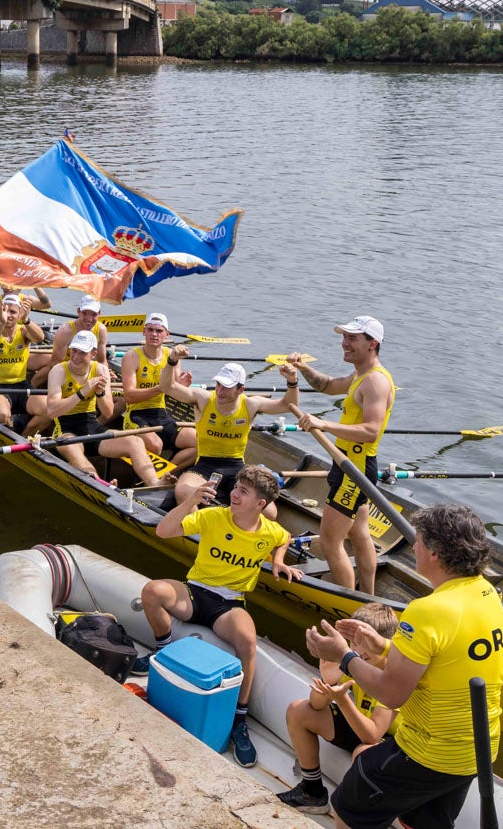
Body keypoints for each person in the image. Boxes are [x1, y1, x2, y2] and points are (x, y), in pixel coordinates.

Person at [304, 504, 503, 829]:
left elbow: (391, 693)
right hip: (477, 750)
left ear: (436, 554)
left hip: (427, 752)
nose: (413, 547)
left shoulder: (426, 610)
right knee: (420, 822)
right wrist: (386, 646)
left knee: (347, 810)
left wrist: (345, 656)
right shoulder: (486, 593)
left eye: (419, 541)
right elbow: (447, 655)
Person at [132, 465, 302, 768]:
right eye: (236, 487)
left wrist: (278, 561)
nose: (234, 494)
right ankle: (163, 648)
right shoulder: (213, 516)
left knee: (247, 641)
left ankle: (239, 719)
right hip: (195, 593)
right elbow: (163, 530)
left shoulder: (268, 531)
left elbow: (284, 536)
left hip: (230, 603)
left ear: (260, 504)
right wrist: (189, 501)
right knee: (152, 592)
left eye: (243, 492)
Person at [288, 316, 395, 595]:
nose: (344, 344)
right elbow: (327, 385)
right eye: (344, 337)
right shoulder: (360, 375)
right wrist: (302, 368)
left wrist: (324, 424)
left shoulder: (376, 382)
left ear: (372, 344)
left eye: (352, 339)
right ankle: (368, 598)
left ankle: (346, 609)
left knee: (330, 541)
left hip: (354, 467)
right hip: (347, 462)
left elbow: (371, 430)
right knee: (360, 535)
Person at [276, 603, 399, 815]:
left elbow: (373, 735)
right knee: (299, 710)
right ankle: (313, 792)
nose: (358, 651)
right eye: (354, 642)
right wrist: (329, 682)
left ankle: (360, 814)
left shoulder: (394, 674)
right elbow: (315, 705)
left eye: (365, 643)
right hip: (362, 723)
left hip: (390, 741)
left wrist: (342, 699)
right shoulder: (353, 659)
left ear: (381, 643)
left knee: (364, 752)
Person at [160, 346, 299, 515]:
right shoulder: (203, 398)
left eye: (226, 387)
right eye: (218, 384)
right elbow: (167, 386)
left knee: (270, 512)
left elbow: (288, 405)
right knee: (182, 492)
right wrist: (172, 359)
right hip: (205, 464)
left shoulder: (250, 404)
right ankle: (199, 530)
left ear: (240, 390)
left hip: (236, 466)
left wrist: (292, 381)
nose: (219, 390)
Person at [45, 329, 162, 487]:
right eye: (74, 351)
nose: (76, 357)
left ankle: (155, 484)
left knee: (135, 442)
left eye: (82, 353)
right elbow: (52, 411)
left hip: (93, 427)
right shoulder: (59, 371)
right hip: (66, 430)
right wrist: (82, 393)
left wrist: (100, 393)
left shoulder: (100, 369)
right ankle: (101, 485)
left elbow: (107, 412)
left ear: (93, 354)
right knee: (75, 452)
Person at [120, 312, 197, 467]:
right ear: (144, 332)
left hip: (161, 413)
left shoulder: (171, 355)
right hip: (136, 415)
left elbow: (174, 391)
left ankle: (168, 473)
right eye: (150, 330)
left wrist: (181, 387)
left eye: (159, 331)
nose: (154, 334)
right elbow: (129, 396)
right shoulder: (131, 356)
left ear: (166, 335)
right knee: (155, 445)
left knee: (200, 442)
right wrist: (163, 387)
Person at [0, 293, 47, 432]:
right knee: (2, 416)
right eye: (5, 311)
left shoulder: (23, 331)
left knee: (48, 410)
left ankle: (25, 438)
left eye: (13, 312)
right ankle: (10, 433)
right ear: (0, 312)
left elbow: (40, 337)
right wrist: (1, 324)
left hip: (21, 385)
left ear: (19, 315)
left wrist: (27, 319)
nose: (9, 315)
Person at [34, 294, 108, 385]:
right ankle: (32, 386)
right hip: (65, 366)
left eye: (94, 314)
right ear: (78, 312)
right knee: (44, 373)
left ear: (99, 314)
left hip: (86, 366)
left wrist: (105, 376)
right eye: (84, 313)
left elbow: (102, 361)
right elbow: (55, 364)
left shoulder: (101, 330)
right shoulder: (65, 331)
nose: (89, 319)